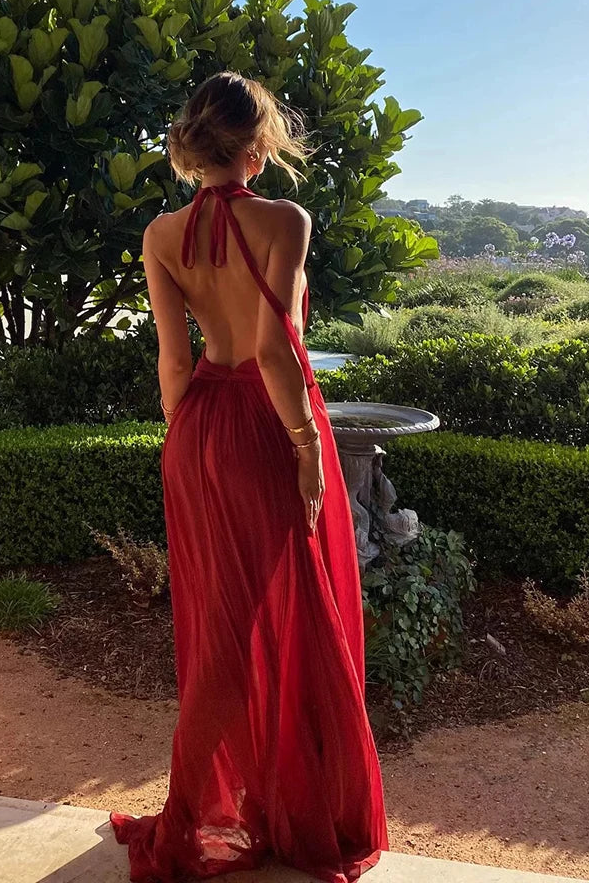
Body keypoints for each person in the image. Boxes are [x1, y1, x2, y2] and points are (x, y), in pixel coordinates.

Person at [110, 71, 388, 882]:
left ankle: (220, 804)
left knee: (222, 630)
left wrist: (190, 447)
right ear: (259, 146)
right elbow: (274, 353)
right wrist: (306, 451)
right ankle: (203, 815)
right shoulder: (285, 220)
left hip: (196, 427)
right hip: (266, 428)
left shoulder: (162, 236)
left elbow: (173, 363)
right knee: (275, 623)